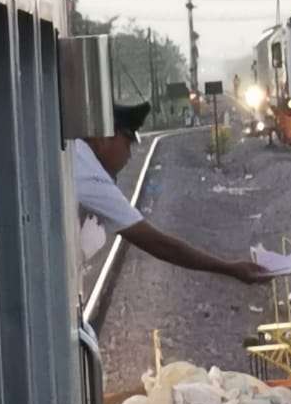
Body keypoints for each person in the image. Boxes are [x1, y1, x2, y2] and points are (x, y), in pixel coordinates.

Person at [75, 101, 271, 284]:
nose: (129, 155)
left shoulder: (78, 158)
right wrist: (229, 268)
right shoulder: (86, 170)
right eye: (127, 143)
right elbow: (159, 244)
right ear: (102, 138)